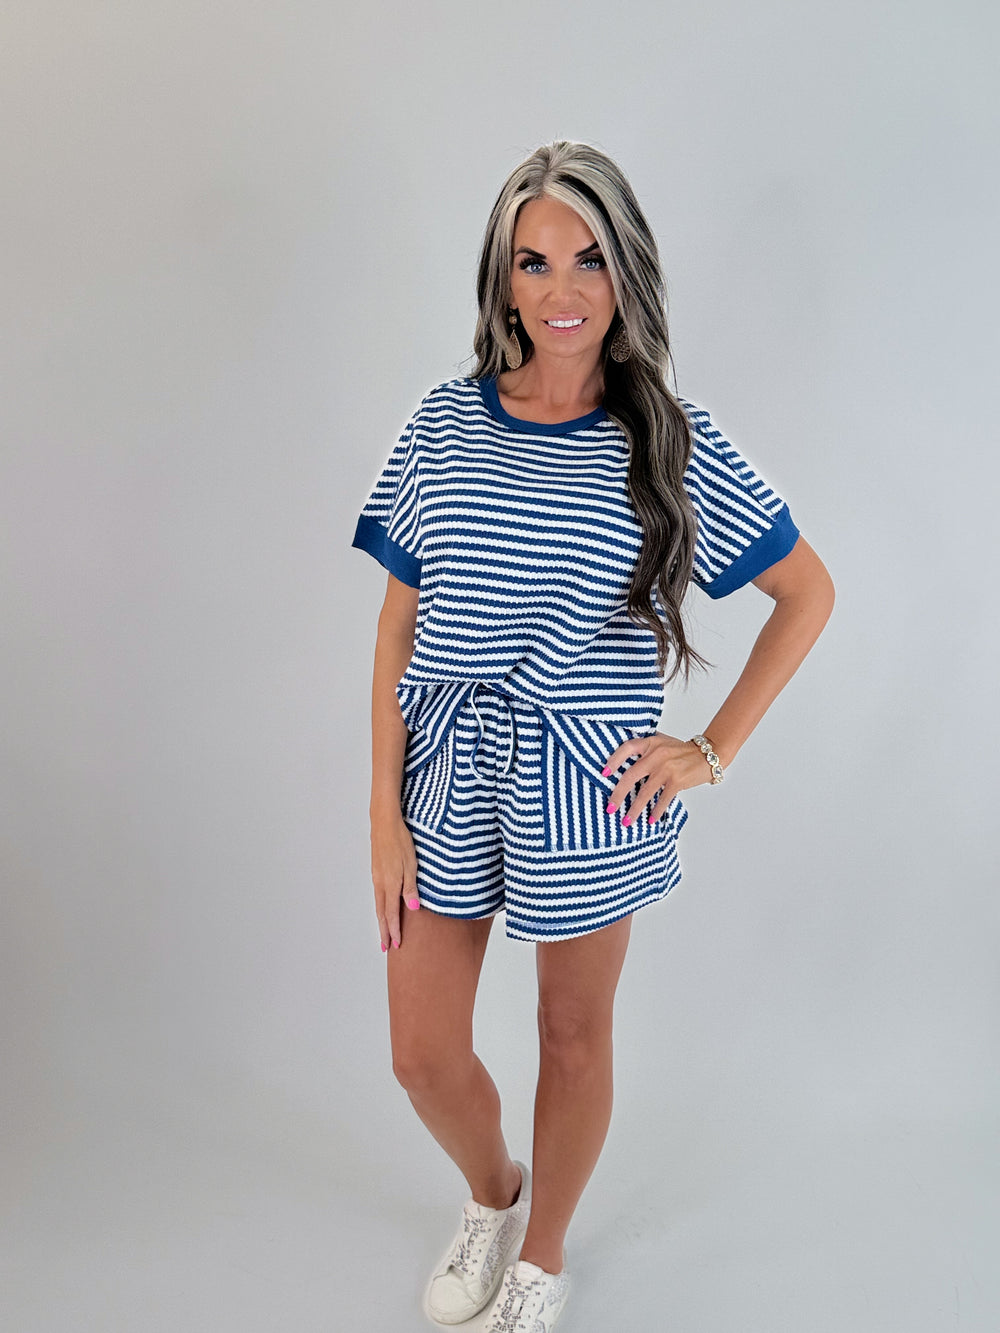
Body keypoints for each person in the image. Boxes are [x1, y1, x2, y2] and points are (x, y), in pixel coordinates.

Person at [351, 140, 834, 1332]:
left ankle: (543, 1253)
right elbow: (397, 626)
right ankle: (494, 1191)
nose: (562, 289)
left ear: (626, 275)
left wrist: (706, 750)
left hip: (588, 780)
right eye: (534, 261)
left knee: (571, 1031)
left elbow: (805, 592)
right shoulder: (443, 423)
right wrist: (380, 811)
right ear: (502, 279)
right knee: (420, 1053)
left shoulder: (666, 438)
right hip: (448, 766)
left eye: (588, 259)